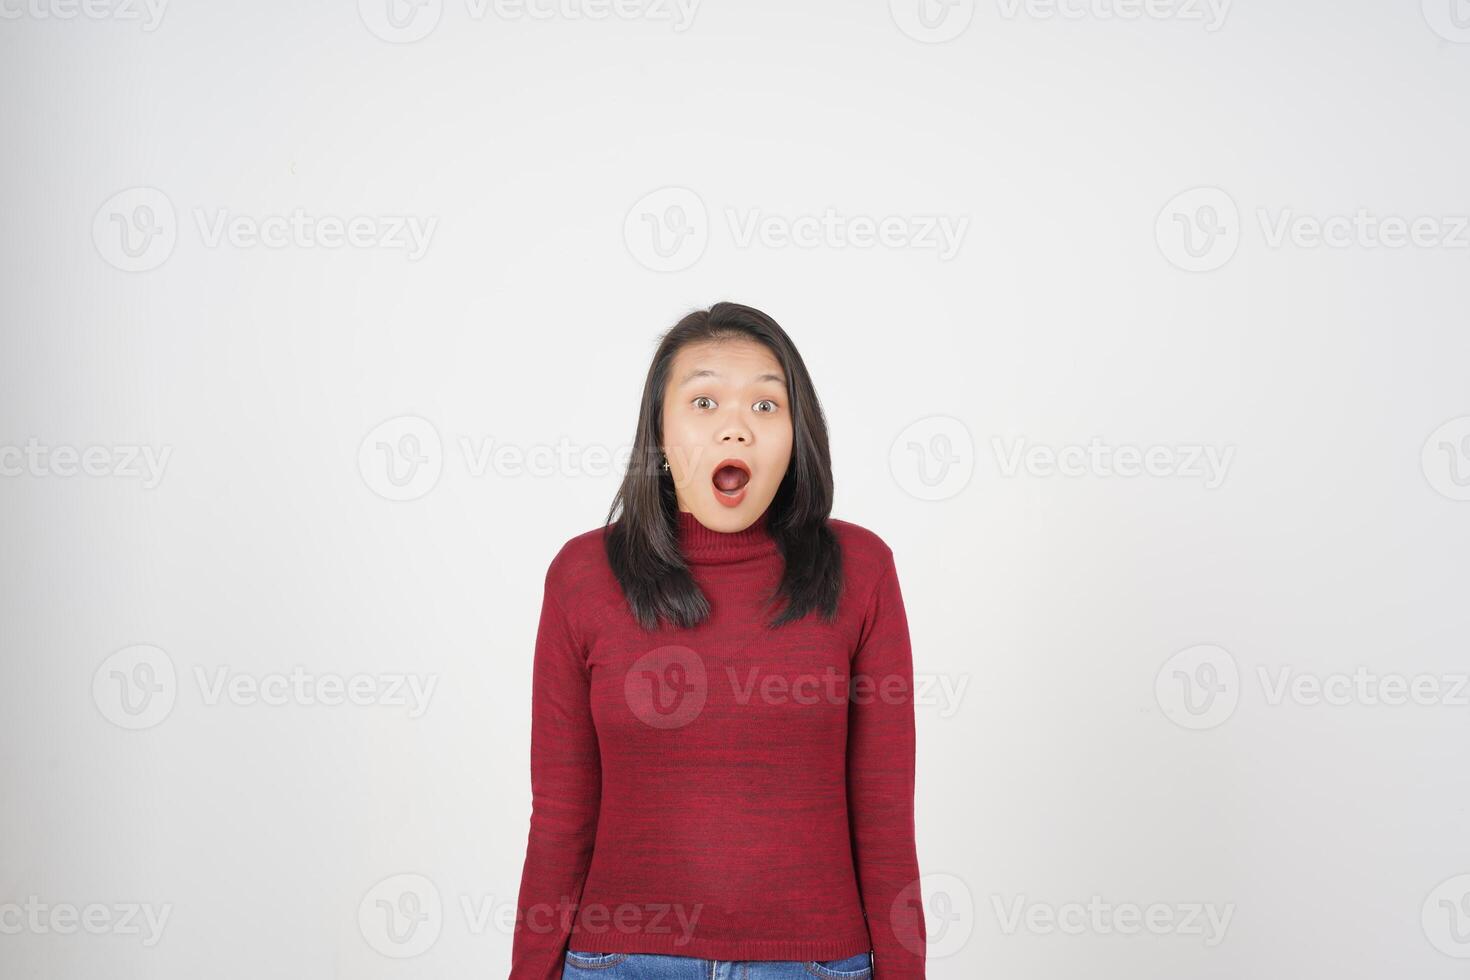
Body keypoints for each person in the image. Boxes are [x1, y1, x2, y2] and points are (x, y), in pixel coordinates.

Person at [509, 302, 926, 979]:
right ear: (660, 430)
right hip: (621, 965)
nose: (736, 428)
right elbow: (561, 816)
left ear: (798, 434)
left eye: (766, 407)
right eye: (704, 401)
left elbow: (884, 818)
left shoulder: (861, 569)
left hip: (816, 965)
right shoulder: (583, 576)